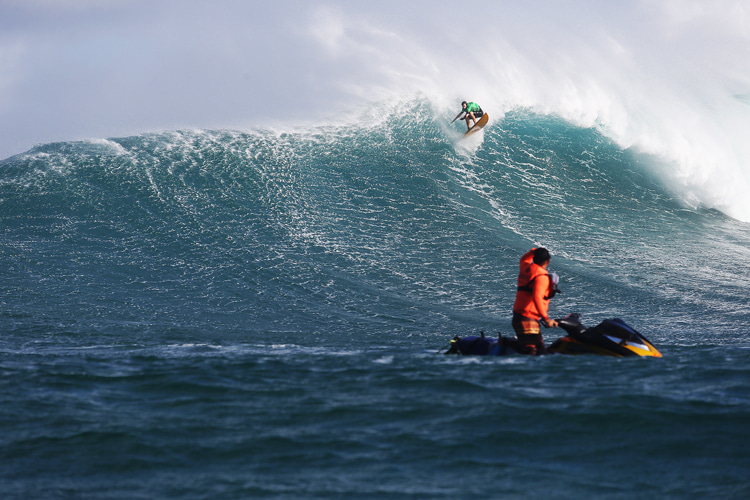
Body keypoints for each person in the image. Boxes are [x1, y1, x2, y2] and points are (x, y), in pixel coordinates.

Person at [511, 247, 560, 355]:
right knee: (531, 352)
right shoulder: (542, 277)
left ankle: (511, 343)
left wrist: (532, 251)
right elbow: (537, 297)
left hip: (520, 315)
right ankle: (507, 342)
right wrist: (546, 318)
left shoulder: (525, 267)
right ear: (548, 261)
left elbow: (524, 259)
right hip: (527, 318)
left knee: (541, 351)